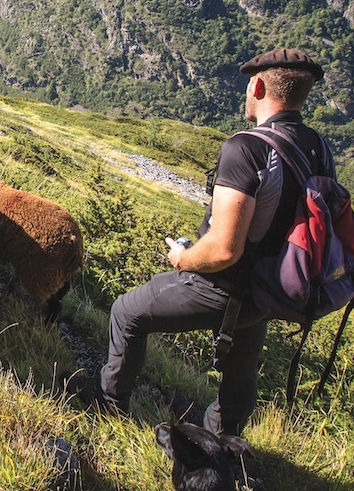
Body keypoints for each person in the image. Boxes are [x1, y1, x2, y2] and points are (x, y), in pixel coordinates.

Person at [92, 47, 330, 436]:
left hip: (224, 288)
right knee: (240, 369)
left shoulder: (247, 148)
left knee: (126, 313)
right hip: (272, 289)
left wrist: (183, 257)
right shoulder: (317, 148)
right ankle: (223, 443)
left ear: (257, 86)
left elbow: (223, 249)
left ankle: (110, 409)